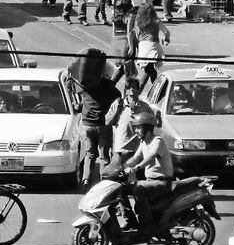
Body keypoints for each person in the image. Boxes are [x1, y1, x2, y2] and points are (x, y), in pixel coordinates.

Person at [69, 48, 121, 188]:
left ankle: (86, 180)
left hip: (87, 125)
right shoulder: (108, 87)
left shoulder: (85, 86)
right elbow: (117, 92)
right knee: (104, 156)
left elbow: (72, 84)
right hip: (103, 125)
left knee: (90, 154)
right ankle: (103, 182)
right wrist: (122, 68)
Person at [123, 112, 173, 235]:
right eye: (135, 128)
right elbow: (135, 158)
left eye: (138, 128)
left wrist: (136, 168)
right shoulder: (144, 142)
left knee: (138, 189)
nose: (136, 131)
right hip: (150, 181)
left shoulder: (157, 141)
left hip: (162, 182)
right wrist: (122, 167)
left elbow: (152, 157)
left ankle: (146, 224)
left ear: (147, 128)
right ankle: (130, 220)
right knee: (121, 189)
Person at [130, 3, 170, 89]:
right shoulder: (156, 20)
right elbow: (167, 32)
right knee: (149, 69)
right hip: (153, 45)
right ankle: (139, 89)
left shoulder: (138, 22)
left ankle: (156, 89)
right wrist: (166, 38)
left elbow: (137, 35)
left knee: (151, 68)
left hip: (142, 46)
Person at [109, 77, 143, 167]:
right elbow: (108, 122)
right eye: (129, 87)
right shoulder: (118, 104)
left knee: (134, 173)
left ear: (139, 90)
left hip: (136, 149)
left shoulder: (144, 106)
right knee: (119, 171)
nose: (131, 89)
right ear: (126, 90)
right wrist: (118, 110)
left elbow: (154, 124)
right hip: (121, 149)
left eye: (134, 87)